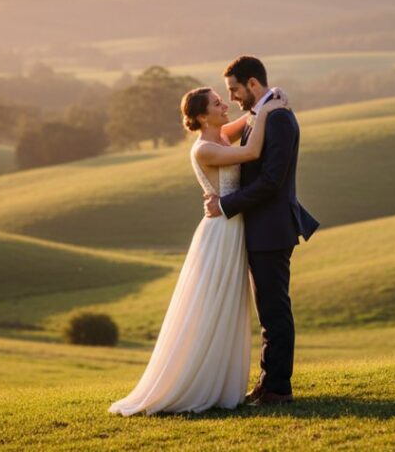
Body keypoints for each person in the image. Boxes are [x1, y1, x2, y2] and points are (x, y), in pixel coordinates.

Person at [108, 84, 287, 415]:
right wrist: (270, 109)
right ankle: (196, 381)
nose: (224, 106)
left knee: (228, 306)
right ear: (202, 115)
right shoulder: (204, 148)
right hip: (220, 232)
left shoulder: (219, 136)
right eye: (217, 104)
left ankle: (221, 382)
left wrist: (264, 103)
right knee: (212, 305)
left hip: (233, 228)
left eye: (223, 100)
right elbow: (252, 152)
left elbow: (247, 123)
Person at [204, 55, 318, 406]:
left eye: (235, 89)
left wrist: (225, 205)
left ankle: (278, 389)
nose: (233, 96)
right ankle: (268, 382)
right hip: (261, 228)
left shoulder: (279, 118)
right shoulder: (263, 113)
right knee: (269, 310)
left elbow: (271, 181)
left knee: (275, 311)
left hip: (271, 229)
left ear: (253, 83)